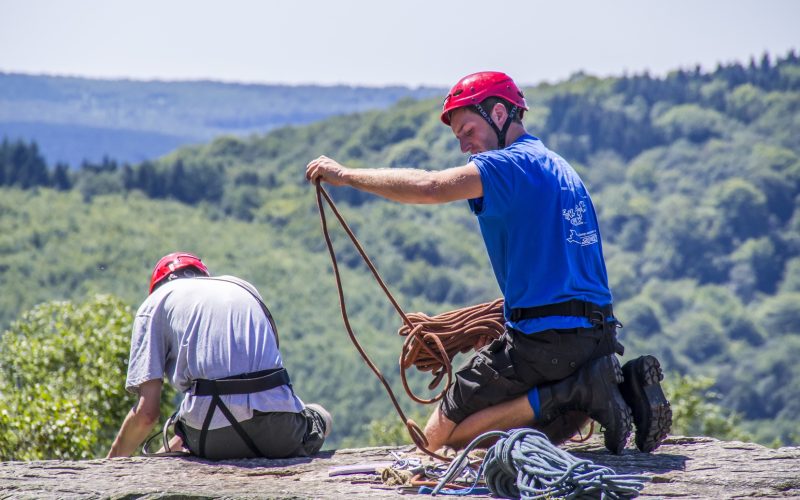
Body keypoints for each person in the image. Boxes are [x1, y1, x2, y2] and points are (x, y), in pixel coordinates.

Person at [305, 71, 671, 454]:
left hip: (546, 341)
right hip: (597, 338)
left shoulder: (508, 166)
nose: (465, 145)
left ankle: (575, 390)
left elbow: (430, 186)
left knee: (436, 441)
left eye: (468, 130)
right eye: (459, 138)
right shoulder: (561, 169)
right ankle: (612, 389)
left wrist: (345, 176)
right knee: (512, 438)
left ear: (499, 114)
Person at [107, 252, 331, 460]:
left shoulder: (154, 304)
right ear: (204, 276)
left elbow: (146, 414)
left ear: (157, 286)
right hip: (280, 432)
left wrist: (111, 466)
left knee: (195, 413)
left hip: (209, 438)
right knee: (321, 415)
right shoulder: (242, 287)